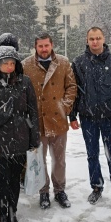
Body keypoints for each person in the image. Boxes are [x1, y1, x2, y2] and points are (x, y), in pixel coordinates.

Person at [0, 45, 40, 222]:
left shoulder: (25, 83)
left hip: (20, 140)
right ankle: (3, 218)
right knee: (2, 183)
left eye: (12, 63)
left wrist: (34, 138)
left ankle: (13, 216)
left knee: (14, 182)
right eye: (5, 63)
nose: (9, 66)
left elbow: (33, 111)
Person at [69, 26, 111, 206]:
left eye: (98, 38)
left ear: (103, 39)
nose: (95, 41)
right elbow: (74, 91)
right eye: (91, 38)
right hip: (88, 117)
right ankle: (96, 186)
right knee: (92, 154)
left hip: (110, 118)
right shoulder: (79, 63)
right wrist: (72, 115)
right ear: (87, 41)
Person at [22, 32, 77, 209]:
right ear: (35, 47)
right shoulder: (26, 65)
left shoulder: (63, 62)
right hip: (37, 122)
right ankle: (43, 192)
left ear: (52, 45)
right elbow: (22, 91)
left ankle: (60, 190)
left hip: (58, 121)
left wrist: (65, 108)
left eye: (47, 45)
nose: (44, 49)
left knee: (59, 159)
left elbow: (71, 87)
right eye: (40, 46)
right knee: (40, 160)